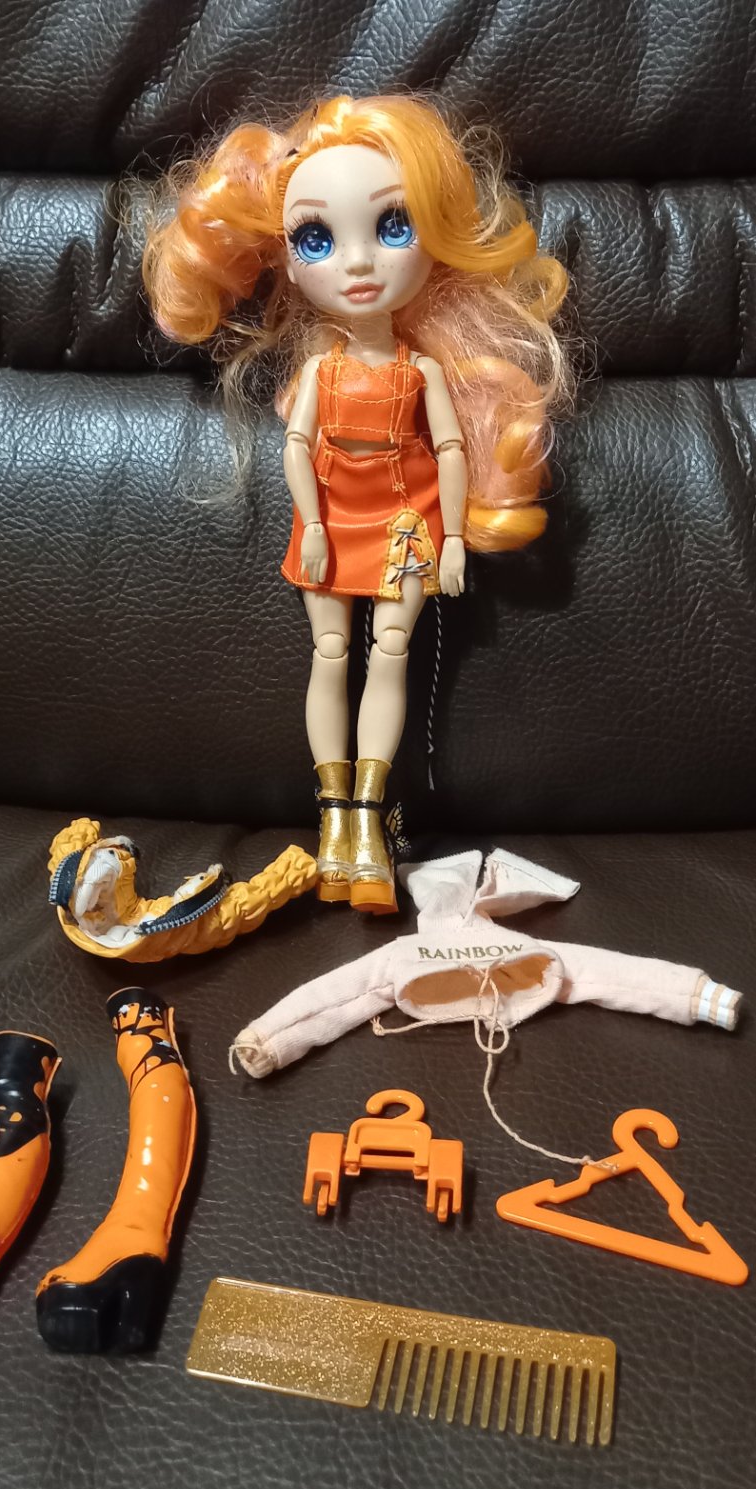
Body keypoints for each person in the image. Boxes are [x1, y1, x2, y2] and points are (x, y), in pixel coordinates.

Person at [143, 94, 571, 911]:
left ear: (436, 233)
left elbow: (452, 449)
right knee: (331, 655)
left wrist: (452, 541)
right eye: (316, 238)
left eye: (393, 225)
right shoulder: (320, 373)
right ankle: (333, 815)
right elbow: (296, 449)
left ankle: (369, 819)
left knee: (390, 653)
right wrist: (310, 525)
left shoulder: (423, 371)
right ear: (286, 257)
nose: (359, 263)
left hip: (409, 519)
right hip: (331, 517)